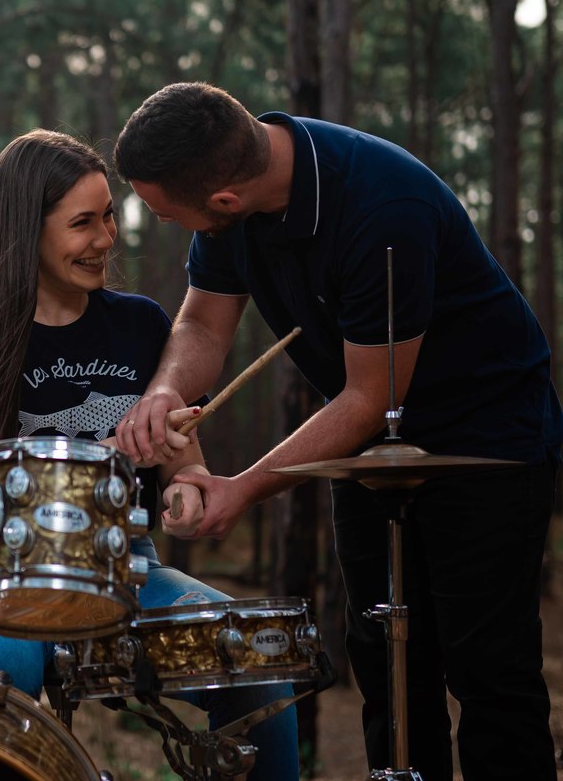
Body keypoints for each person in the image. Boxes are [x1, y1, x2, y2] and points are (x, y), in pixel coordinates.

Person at [113, 82, 562, 781]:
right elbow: (202, 322)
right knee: (387, 664)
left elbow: (367, 394)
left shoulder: (384, 208)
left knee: (489, 674)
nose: (165, 225)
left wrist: (240, 489)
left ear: (223, 202)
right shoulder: (234, 199)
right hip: (371, 446)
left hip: (487, 434)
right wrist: (168, 387)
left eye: (164, 213)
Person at [0, 129, 300, 780]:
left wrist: (184, 496)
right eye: (82, 222)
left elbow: (186, 472)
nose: (105, 238)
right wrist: (97, 468)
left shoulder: (144, 325)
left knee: (258, 660)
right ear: (24, 231)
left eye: (110, 215)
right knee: (1, 664)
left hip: (127, 574)